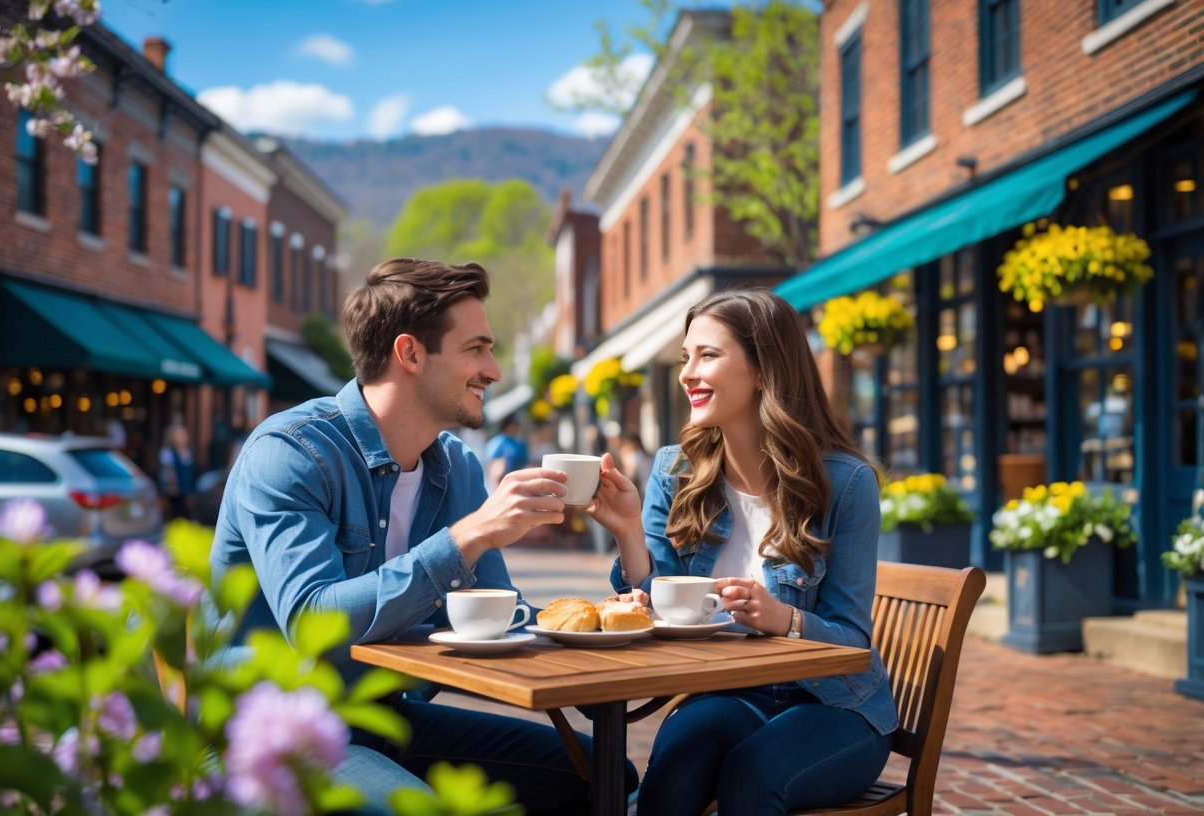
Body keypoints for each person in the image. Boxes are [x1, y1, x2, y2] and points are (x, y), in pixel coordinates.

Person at [209, 258, 631, 814]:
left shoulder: (454, 466)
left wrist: (600, 617)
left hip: (384, 716)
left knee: (604, 774)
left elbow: (500, 618)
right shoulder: (291, 453)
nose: (494, 370)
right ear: (409, 354)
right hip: (270, 731)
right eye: (475, 349)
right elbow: (314, 624)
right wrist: (466, 536)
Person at [588, 288, 898, 816]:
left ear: (762, 370)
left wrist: (785, 619)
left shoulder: (845, 483)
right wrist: (627, 534)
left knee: (751, 778)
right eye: (686, 357)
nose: (687, 373)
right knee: (669, 779)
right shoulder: (674, 471)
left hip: (835, 705)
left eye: (708, 355)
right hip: (730, 693)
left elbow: (852, 643)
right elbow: (652, 608)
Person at [157, 421, 196, 521]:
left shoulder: (189, 451)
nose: (184, 437)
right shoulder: (167, 452)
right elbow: (167, 473)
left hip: (187, 490)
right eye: (180, 435)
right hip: (174, 492)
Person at [484, 415, 528, 489]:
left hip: (518, 480)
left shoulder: (519, 443)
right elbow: (495, 468)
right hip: (503, 483)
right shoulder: (498, 442)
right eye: (514, 426)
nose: (516, 429)